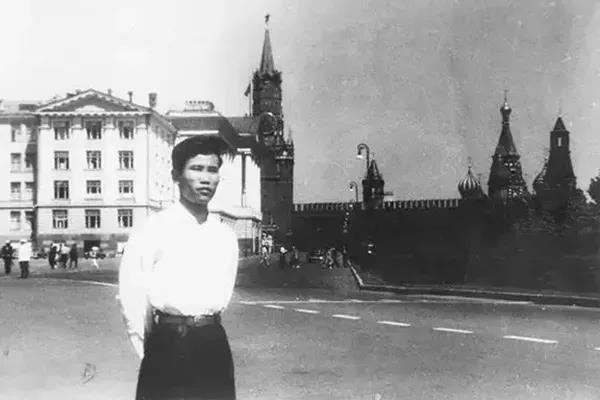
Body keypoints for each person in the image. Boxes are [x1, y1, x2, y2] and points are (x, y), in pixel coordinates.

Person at [119, 135, 239, 399]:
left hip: (213, 342)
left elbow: (224, 291)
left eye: (212, 170)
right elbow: (132, 297)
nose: (205, 178)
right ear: (176, 175)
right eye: (196, 169)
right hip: (168, 343)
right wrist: (153, 353)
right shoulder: (153, 229)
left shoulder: (225, 236)